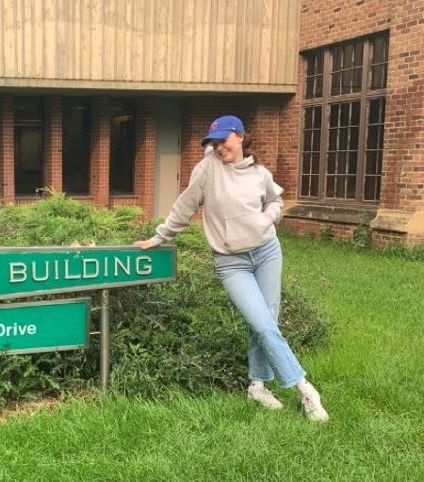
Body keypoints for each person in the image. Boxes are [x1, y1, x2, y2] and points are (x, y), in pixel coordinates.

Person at [134, 115, 329, 422]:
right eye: (214, 143)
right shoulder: (207, 170)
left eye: (223, 141)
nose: (218, 148)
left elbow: (276, 200)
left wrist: (268, 218)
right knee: (263, 323)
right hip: (231, 262)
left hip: (267, 253)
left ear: (239, 137)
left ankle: (257, 385)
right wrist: (160, 236)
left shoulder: (258, 171)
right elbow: (185, 206)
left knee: (266, 321)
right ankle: (306, 390)